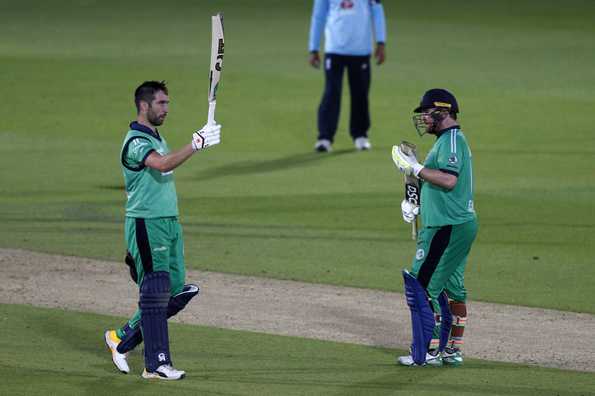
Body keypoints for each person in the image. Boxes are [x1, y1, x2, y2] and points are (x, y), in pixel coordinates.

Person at [103, 80, 221, 380]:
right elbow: (163, 164)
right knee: (155, 290)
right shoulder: (136, 141)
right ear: (144, 106)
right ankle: (156, 364)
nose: (167, 108)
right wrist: (196, 144)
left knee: (176, 290)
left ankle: (122, 338)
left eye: (167, 103)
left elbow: (167, 166)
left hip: (169, 221)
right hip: (146, 221)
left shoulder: (156, 136)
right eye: (161, 103)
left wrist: (197, 145)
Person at [391, 88, 477, 367]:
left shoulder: (452, 141)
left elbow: (448, 180)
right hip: (452, 224)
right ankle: (451, 350)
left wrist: (415, 169)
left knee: (422, 285)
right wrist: (412, 201)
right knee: (452, 287)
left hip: (446, 226)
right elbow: (431, 178)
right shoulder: (444, 141)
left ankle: (428, 350)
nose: (424, 118)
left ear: (443, 111)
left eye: (427, 112)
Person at [308, 0, 386, 152]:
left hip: (361, 50)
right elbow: (318, 16)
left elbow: (377, 12)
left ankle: (360, 135)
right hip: (334, 49)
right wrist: (313, 48)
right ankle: (324, 138)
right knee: (331, 92)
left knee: (360, 94)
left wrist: (381, 42)